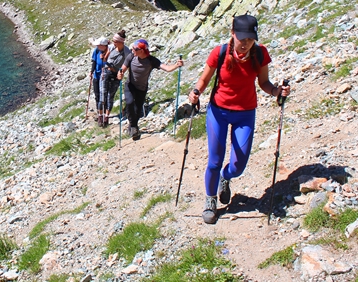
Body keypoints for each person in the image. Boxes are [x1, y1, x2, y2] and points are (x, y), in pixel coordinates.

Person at [187, 14, 291, 225]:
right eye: (241, 38)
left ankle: (226, 177)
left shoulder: (260, 54)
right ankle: (210, 200)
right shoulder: (220, 52)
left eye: (250, 39)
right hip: (218, 112)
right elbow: (204, 78)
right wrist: (196, 91)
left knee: (238, 165)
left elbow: (264, 83)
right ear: (232, 34)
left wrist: (277, 91)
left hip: (245, 112)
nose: (245, 44)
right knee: (214, 160)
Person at [117, 39, 184, 140]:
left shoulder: (151, 61)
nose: (132, 50)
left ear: (142, 50)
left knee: (138, 109)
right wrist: (120, 74)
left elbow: (166, 68)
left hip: (142, 88)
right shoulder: (131, 57)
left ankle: (133, 126)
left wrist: (176, 65)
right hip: (130, 85)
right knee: (129, 103)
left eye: (135, 48)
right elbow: (122, 69)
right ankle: (133, 127)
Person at [100, 30, 131, 127]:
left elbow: (129, 64)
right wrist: (103, 57)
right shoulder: (112, 47)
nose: (113, 43)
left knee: (110, 95)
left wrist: (122, 73)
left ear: (121, 42)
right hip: (106, 72)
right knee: (103, 93)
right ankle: (101, 115)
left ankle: (106, 117)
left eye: (115, 41)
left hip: (116, 74)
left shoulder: (127, 52)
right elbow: (103, 55)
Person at [89, 36, 109, 126]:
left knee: (104, 95)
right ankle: (99, 114)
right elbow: (94, 62)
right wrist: (91, 71)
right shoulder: (96, 51)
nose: (97, 46)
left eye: (98, 45)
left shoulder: (109, 52)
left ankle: (105, 114)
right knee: (97, 95)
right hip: (97, 75)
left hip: (105, 77)